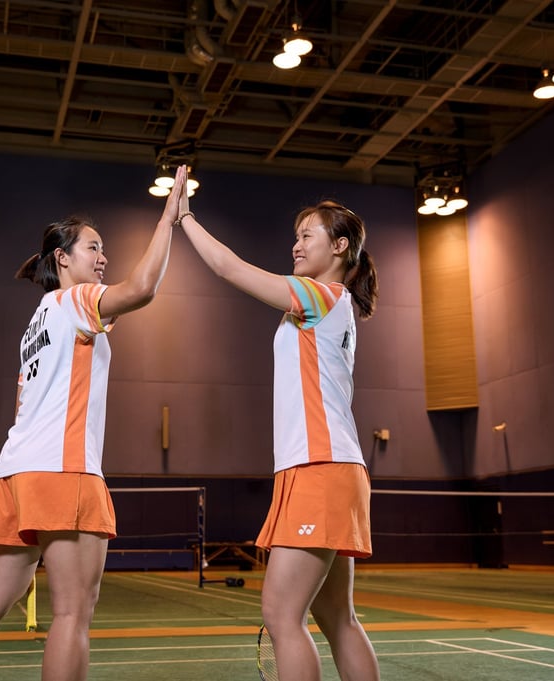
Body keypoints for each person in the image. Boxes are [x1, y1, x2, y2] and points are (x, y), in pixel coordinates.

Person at [0, 166, 188, 681]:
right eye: (93, 248)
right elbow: (142, 289)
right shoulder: (75, 302)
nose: (103, 258)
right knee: (73, 614)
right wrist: (168, 221)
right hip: (63, 471)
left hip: (14, 474)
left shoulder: (38, 319)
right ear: (63, 258)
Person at [175, 197, 380, 681]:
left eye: (308, 234)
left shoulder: (321, 295)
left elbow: (228, 267)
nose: (296, 244)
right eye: (297, 235)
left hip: (320, 468)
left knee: (282, 615)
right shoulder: (330, 304)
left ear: (340, 246)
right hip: (324, 467)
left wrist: (183, 217)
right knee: (337, 618)